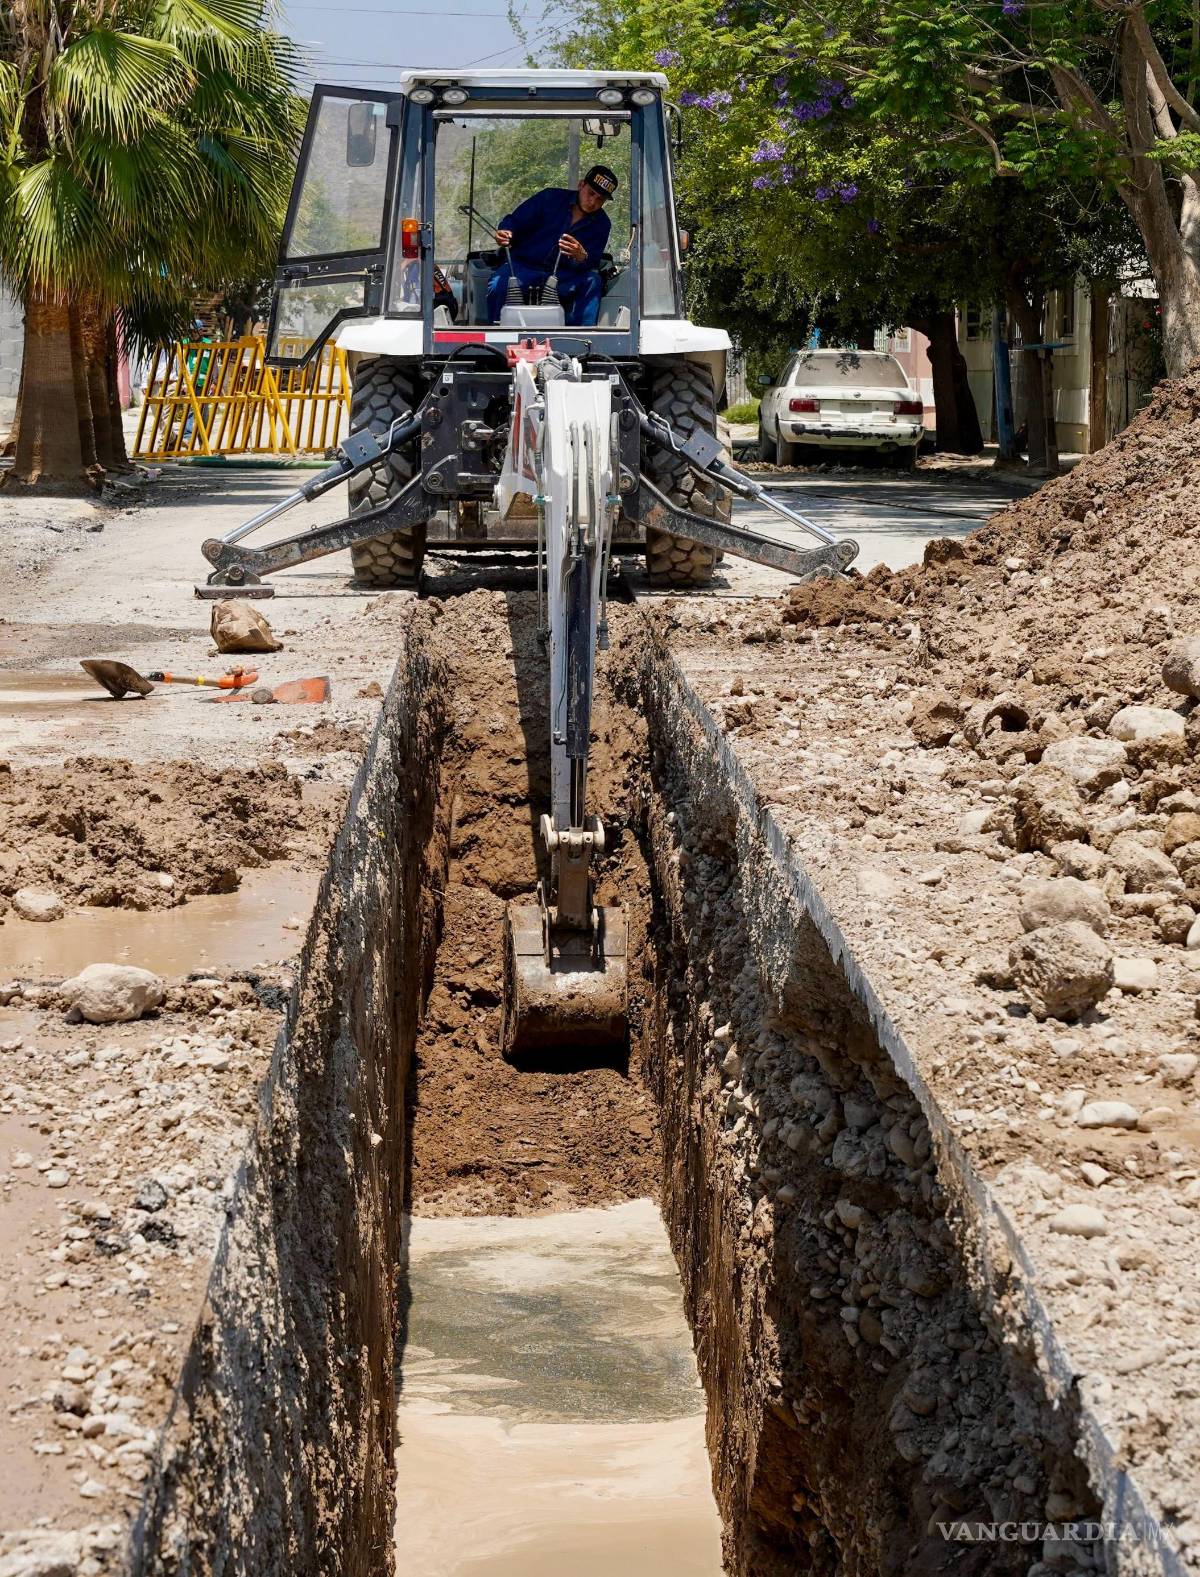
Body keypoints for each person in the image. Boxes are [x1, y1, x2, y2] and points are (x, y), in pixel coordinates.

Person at [486, 165, 617, 327]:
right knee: (498, 285)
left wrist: (582, 256)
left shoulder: (602, 224)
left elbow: (593, 261)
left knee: (593, 281)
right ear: (581, 185)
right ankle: (497, 336)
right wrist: (505, 232)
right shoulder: (549, 198)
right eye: (591, 193)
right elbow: (514, 222)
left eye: (600, 199)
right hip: (523, 267)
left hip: (564, 276)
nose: (593, 202)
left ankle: (582, 338)